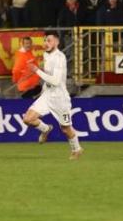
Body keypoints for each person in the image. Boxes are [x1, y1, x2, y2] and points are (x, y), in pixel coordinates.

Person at [22, 31, 83, 160]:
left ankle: (76, 149)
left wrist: (36, 70)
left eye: (49, 40)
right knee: (28, 119)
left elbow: (55, 81)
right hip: (48, 94)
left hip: (60, 98)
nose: (46, 43)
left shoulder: (60, 58)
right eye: (44, 40)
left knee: (66, 129)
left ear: (57, 42)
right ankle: (45, 129)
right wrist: (43, 91)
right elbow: (48, 78)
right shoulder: (46, 55)